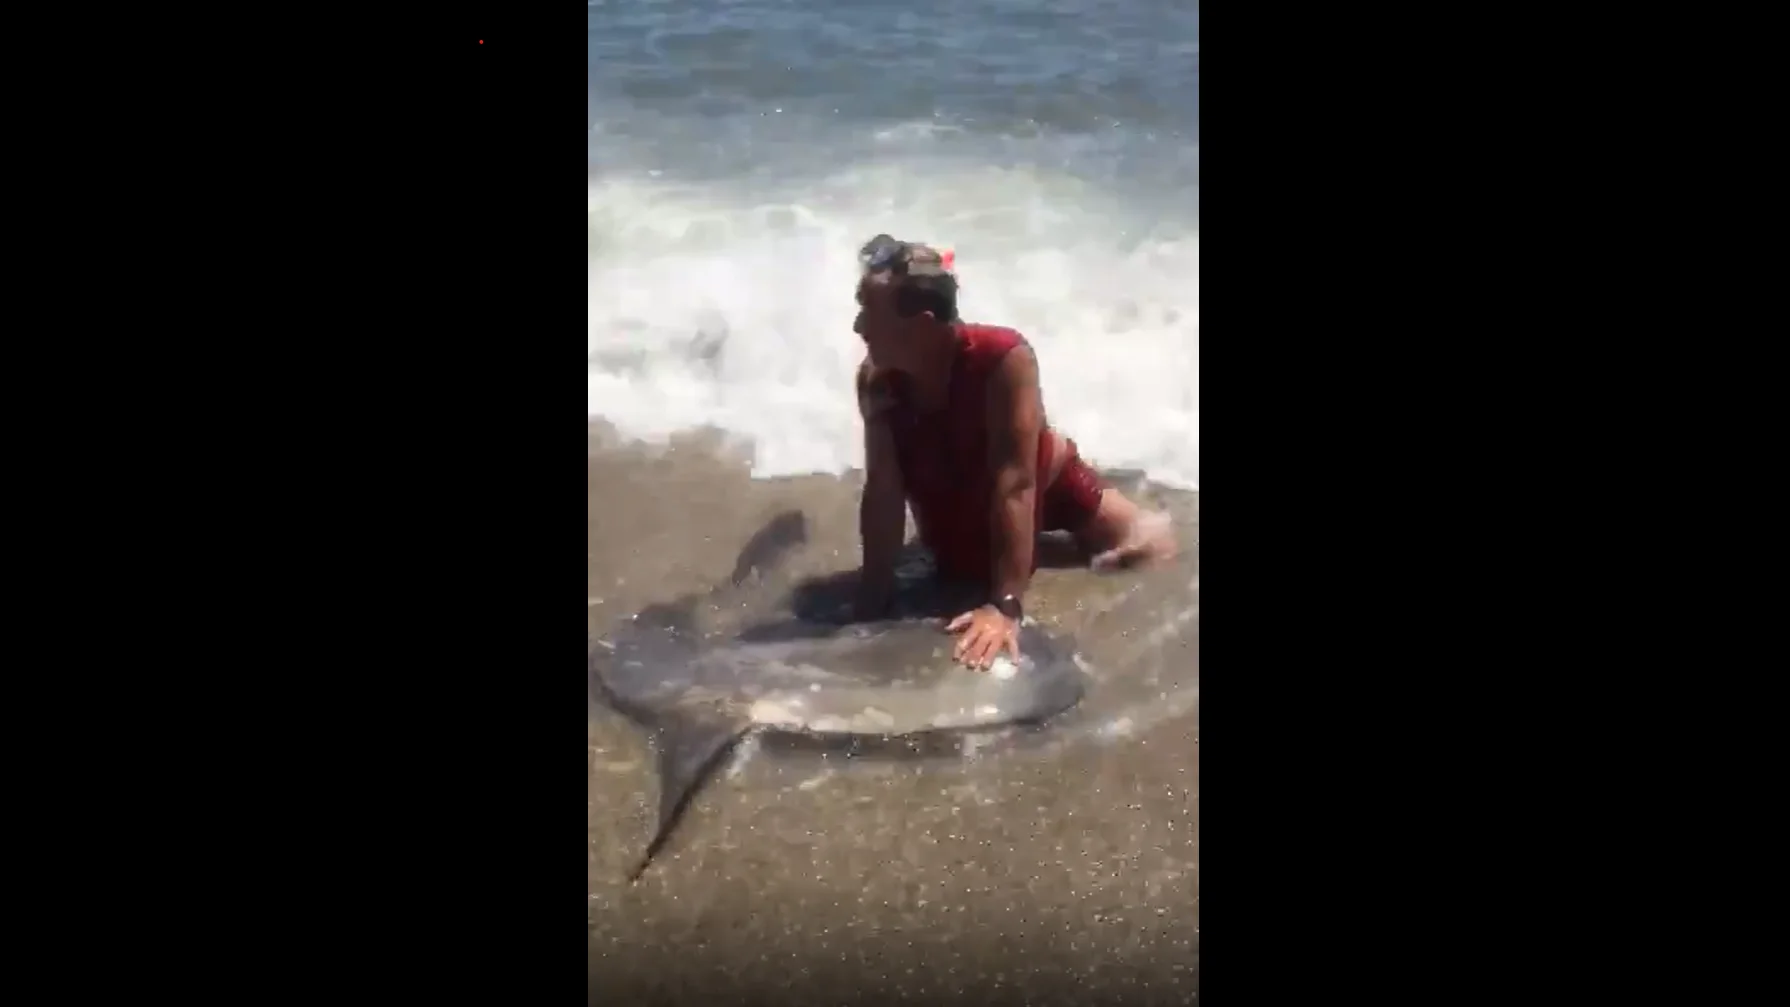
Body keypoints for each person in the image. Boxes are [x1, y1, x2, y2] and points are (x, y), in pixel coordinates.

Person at [850, 234, 1177, 670]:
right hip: (955, 499)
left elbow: (1016, 482)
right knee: (959, 573)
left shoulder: (1002, 359)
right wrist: (873, 596)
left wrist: (1005, 607)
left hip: (1045, 484)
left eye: (870, 313)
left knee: (1150, 547)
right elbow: (884, 494)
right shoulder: (877, 380)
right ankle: (1029, 553)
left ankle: (1042, 550)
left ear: (923, 325)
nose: (858, 327)